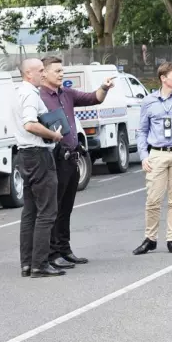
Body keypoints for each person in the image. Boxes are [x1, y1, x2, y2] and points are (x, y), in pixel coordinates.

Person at [40, 56, 113, 268]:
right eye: (57, 71)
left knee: (66, 208)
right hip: (55, 157)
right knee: (54, 208)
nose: (61, 74)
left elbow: (94, 98)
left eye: (62, 70)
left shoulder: (67, 94)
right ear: (44, 73)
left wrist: (104, 87)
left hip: (72, 156)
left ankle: (64, 249)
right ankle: (52, 253)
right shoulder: (40, 97)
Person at [12, 59, 64, 278]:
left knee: (30, 211)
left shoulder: (17, 92)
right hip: (38, 154)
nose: (44, 74)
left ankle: (27, 263)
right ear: (28, 73)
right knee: (47, 211)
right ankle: (40, 264)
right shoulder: (31, 95)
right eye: (40, 70)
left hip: (24, 154)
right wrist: (54, 135)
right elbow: (30, 124)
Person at [134, 62, 172, 255]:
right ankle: (150, 239)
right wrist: (144, 156)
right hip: (157, 154)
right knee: (153, 200)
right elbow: (142, 131)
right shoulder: (149, 101)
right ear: (163, 78)